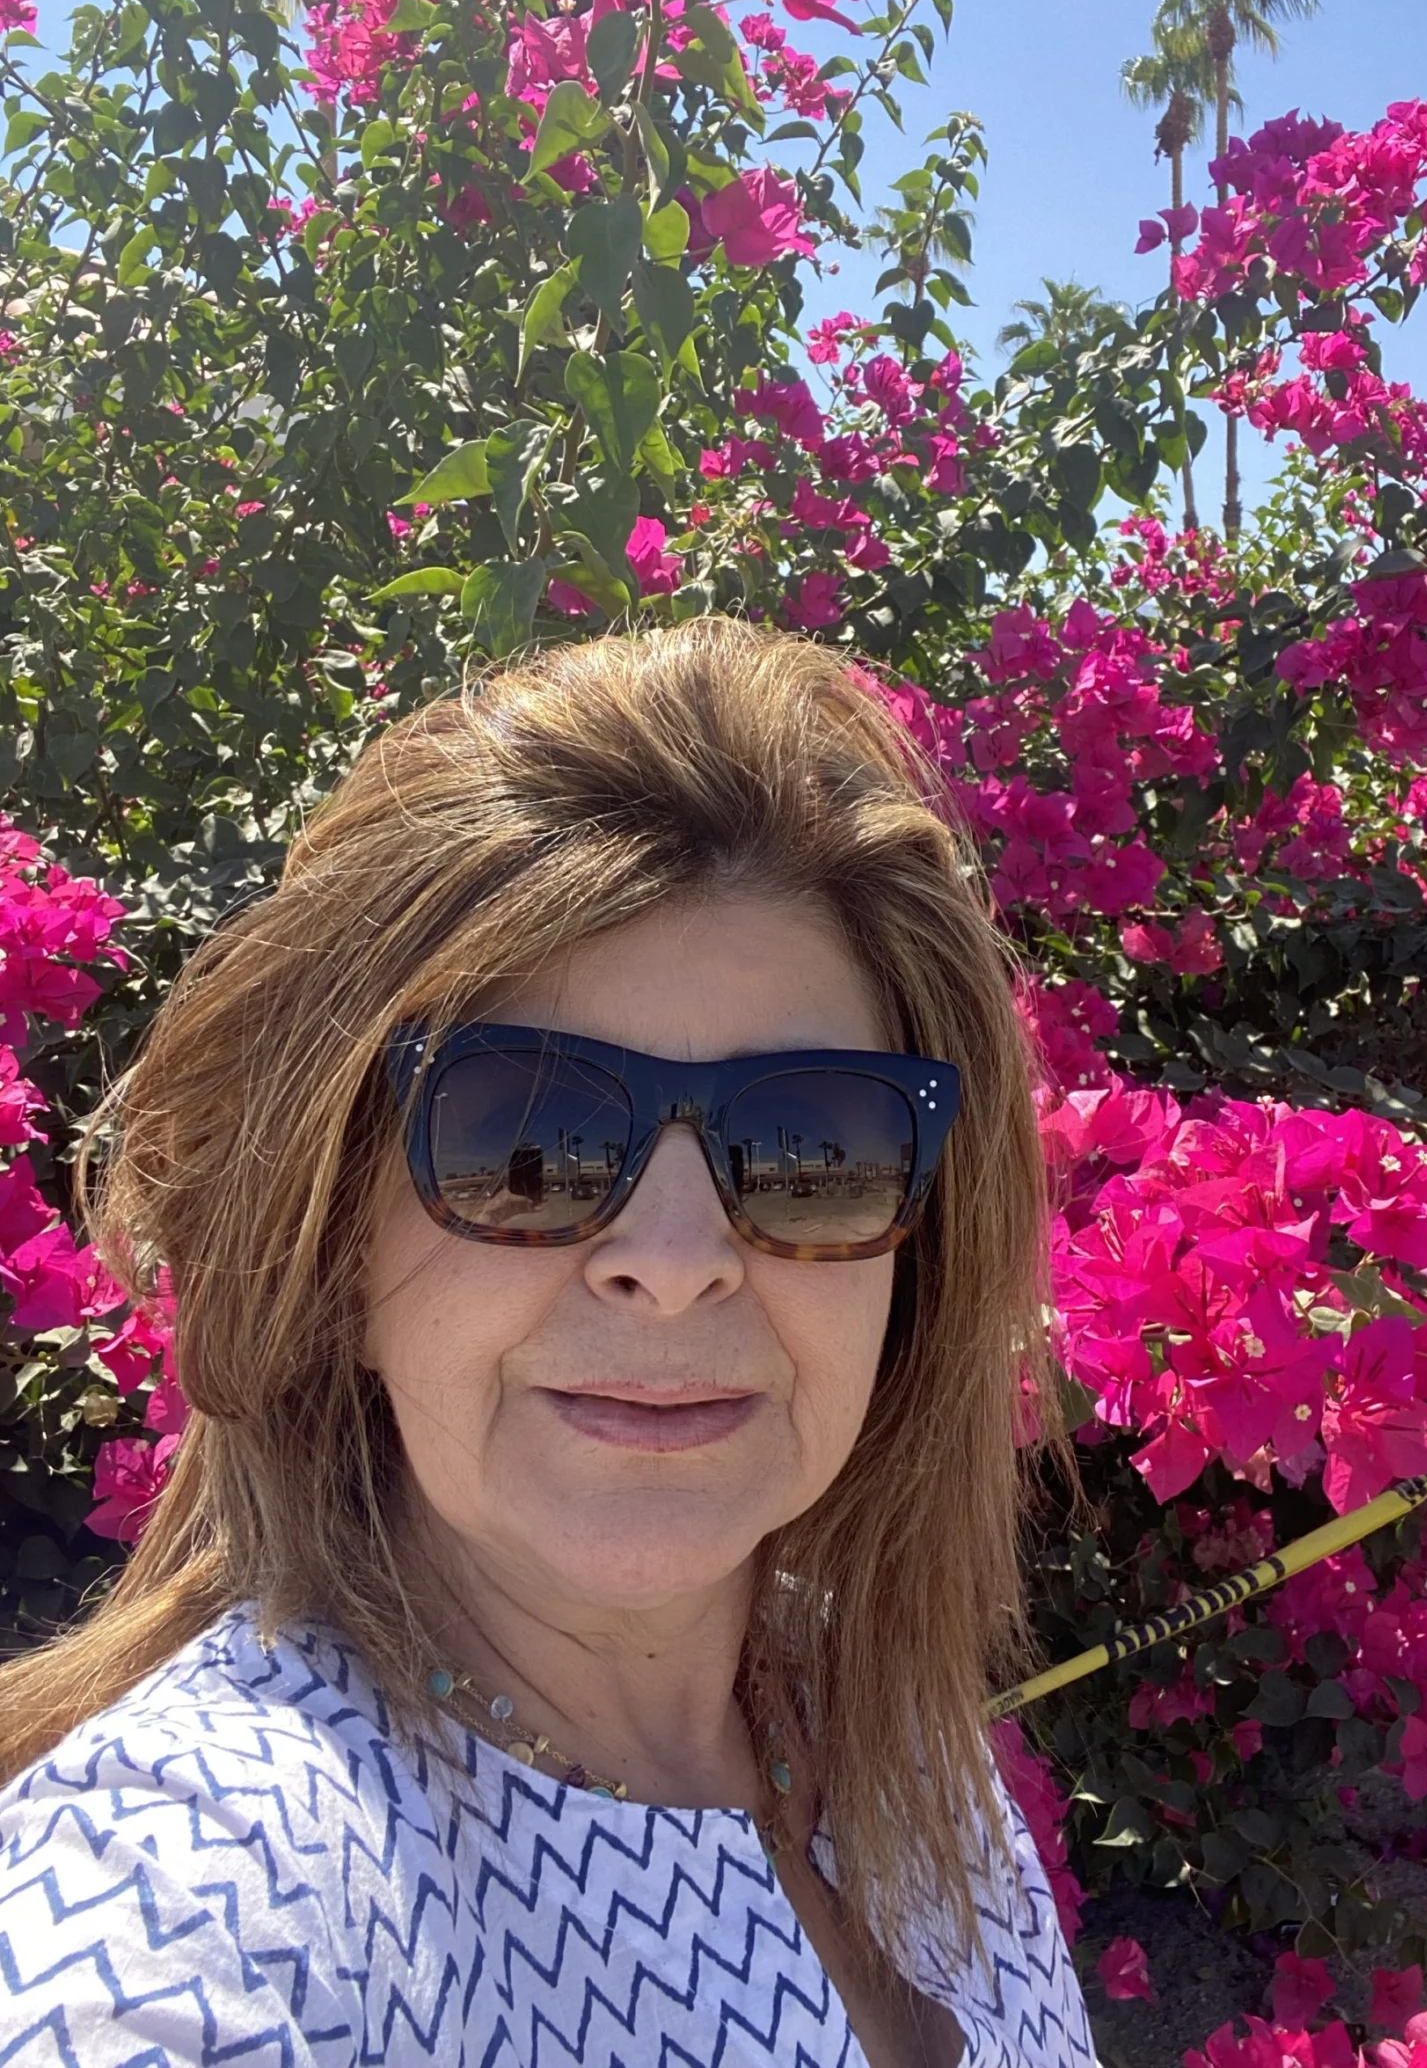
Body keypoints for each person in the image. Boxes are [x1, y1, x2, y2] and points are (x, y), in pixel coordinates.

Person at [0, 616, 1096, 2067]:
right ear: (332, 1244)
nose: (676, 1262)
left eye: (810, 1143)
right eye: (524, 1131)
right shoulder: (211, 1871)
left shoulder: (878, 1733)